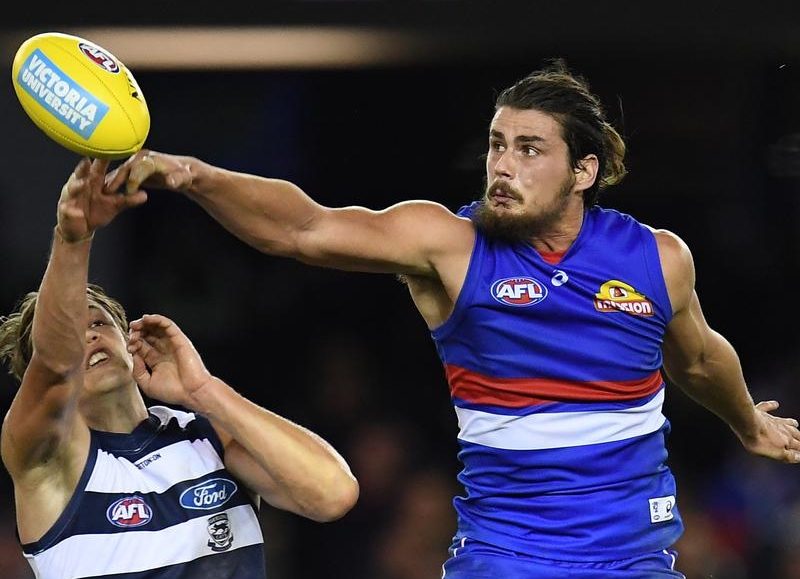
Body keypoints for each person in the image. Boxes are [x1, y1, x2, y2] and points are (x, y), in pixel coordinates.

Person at [112, 59, 800, 578]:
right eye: (498, 144)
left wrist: (748, 422)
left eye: (529, 149)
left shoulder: (658, 258)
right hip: (504, 557)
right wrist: (194, 176)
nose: (502, 165)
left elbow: (699, 358)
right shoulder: (449, 246)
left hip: (635, 558)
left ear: (583, 171)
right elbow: (303, 229)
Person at [0, 157, 359, 579]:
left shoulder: (207, 436)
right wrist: (72, 239)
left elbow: (333, 494)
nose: (90, 338)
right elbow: (55, 364)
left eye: (98, 323)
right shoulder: (46, 463)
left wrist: (204, 390)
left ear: (128, 340)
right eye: (73, 334)